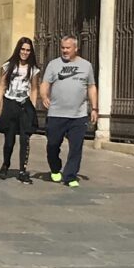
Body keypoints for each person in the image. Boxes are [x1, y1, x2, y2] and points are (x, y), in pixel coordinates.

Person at [39, 34, 99, 188]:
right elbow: (45, 83)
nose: (65, 51)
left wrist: (94, 108)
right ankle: (55, 168)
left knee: (76, 148)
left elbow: (91, 87)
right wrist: (44, 96)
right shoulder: (53, 65)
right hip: (56, 114)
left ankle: (70, 175)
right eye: (62, 48)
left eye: (68, 48)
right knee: (52, 145)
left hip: (78, 115)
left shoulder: (86, 66)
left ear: (76, 48)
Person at [0, 35, 39, 182]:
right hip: (10, 104)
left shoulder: (33, 69)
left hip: (24, 105)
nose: (25, 52)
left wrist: (32, 109)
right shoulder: (8, 66)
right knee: (9, 139)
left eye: (28, 50)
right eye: (23, 49)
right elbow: (2, 86)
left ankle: (22, 170)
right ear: (18, 50)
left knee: (25, 139)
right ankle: (5, 164)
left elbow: (34, 89)